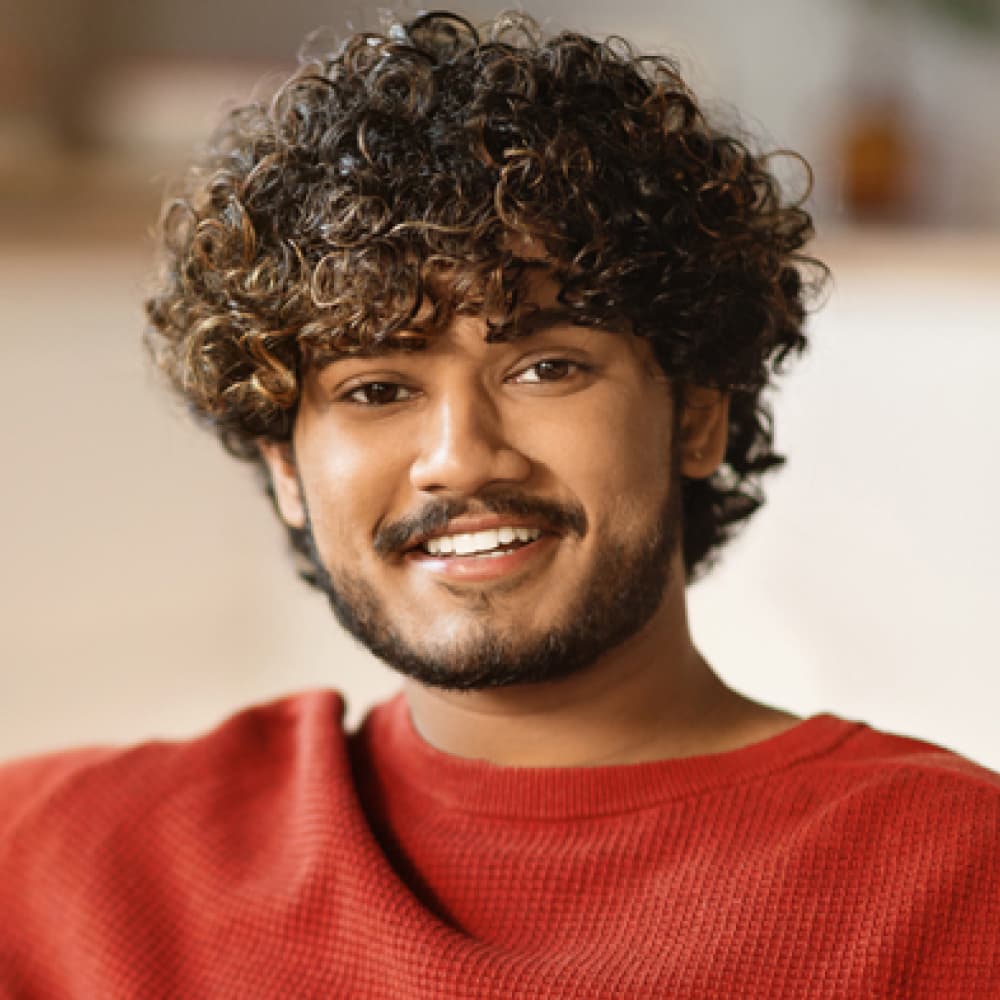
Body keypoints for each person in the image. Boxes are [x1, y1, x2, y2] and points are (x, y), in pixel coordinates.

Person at [1, 11, 996, 998]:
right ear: (287, 473)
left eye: (546, 367)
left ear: (695, 415)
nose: (459, 458)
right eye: (376, 389)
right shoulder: (74, 863)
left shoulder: (955, 881)